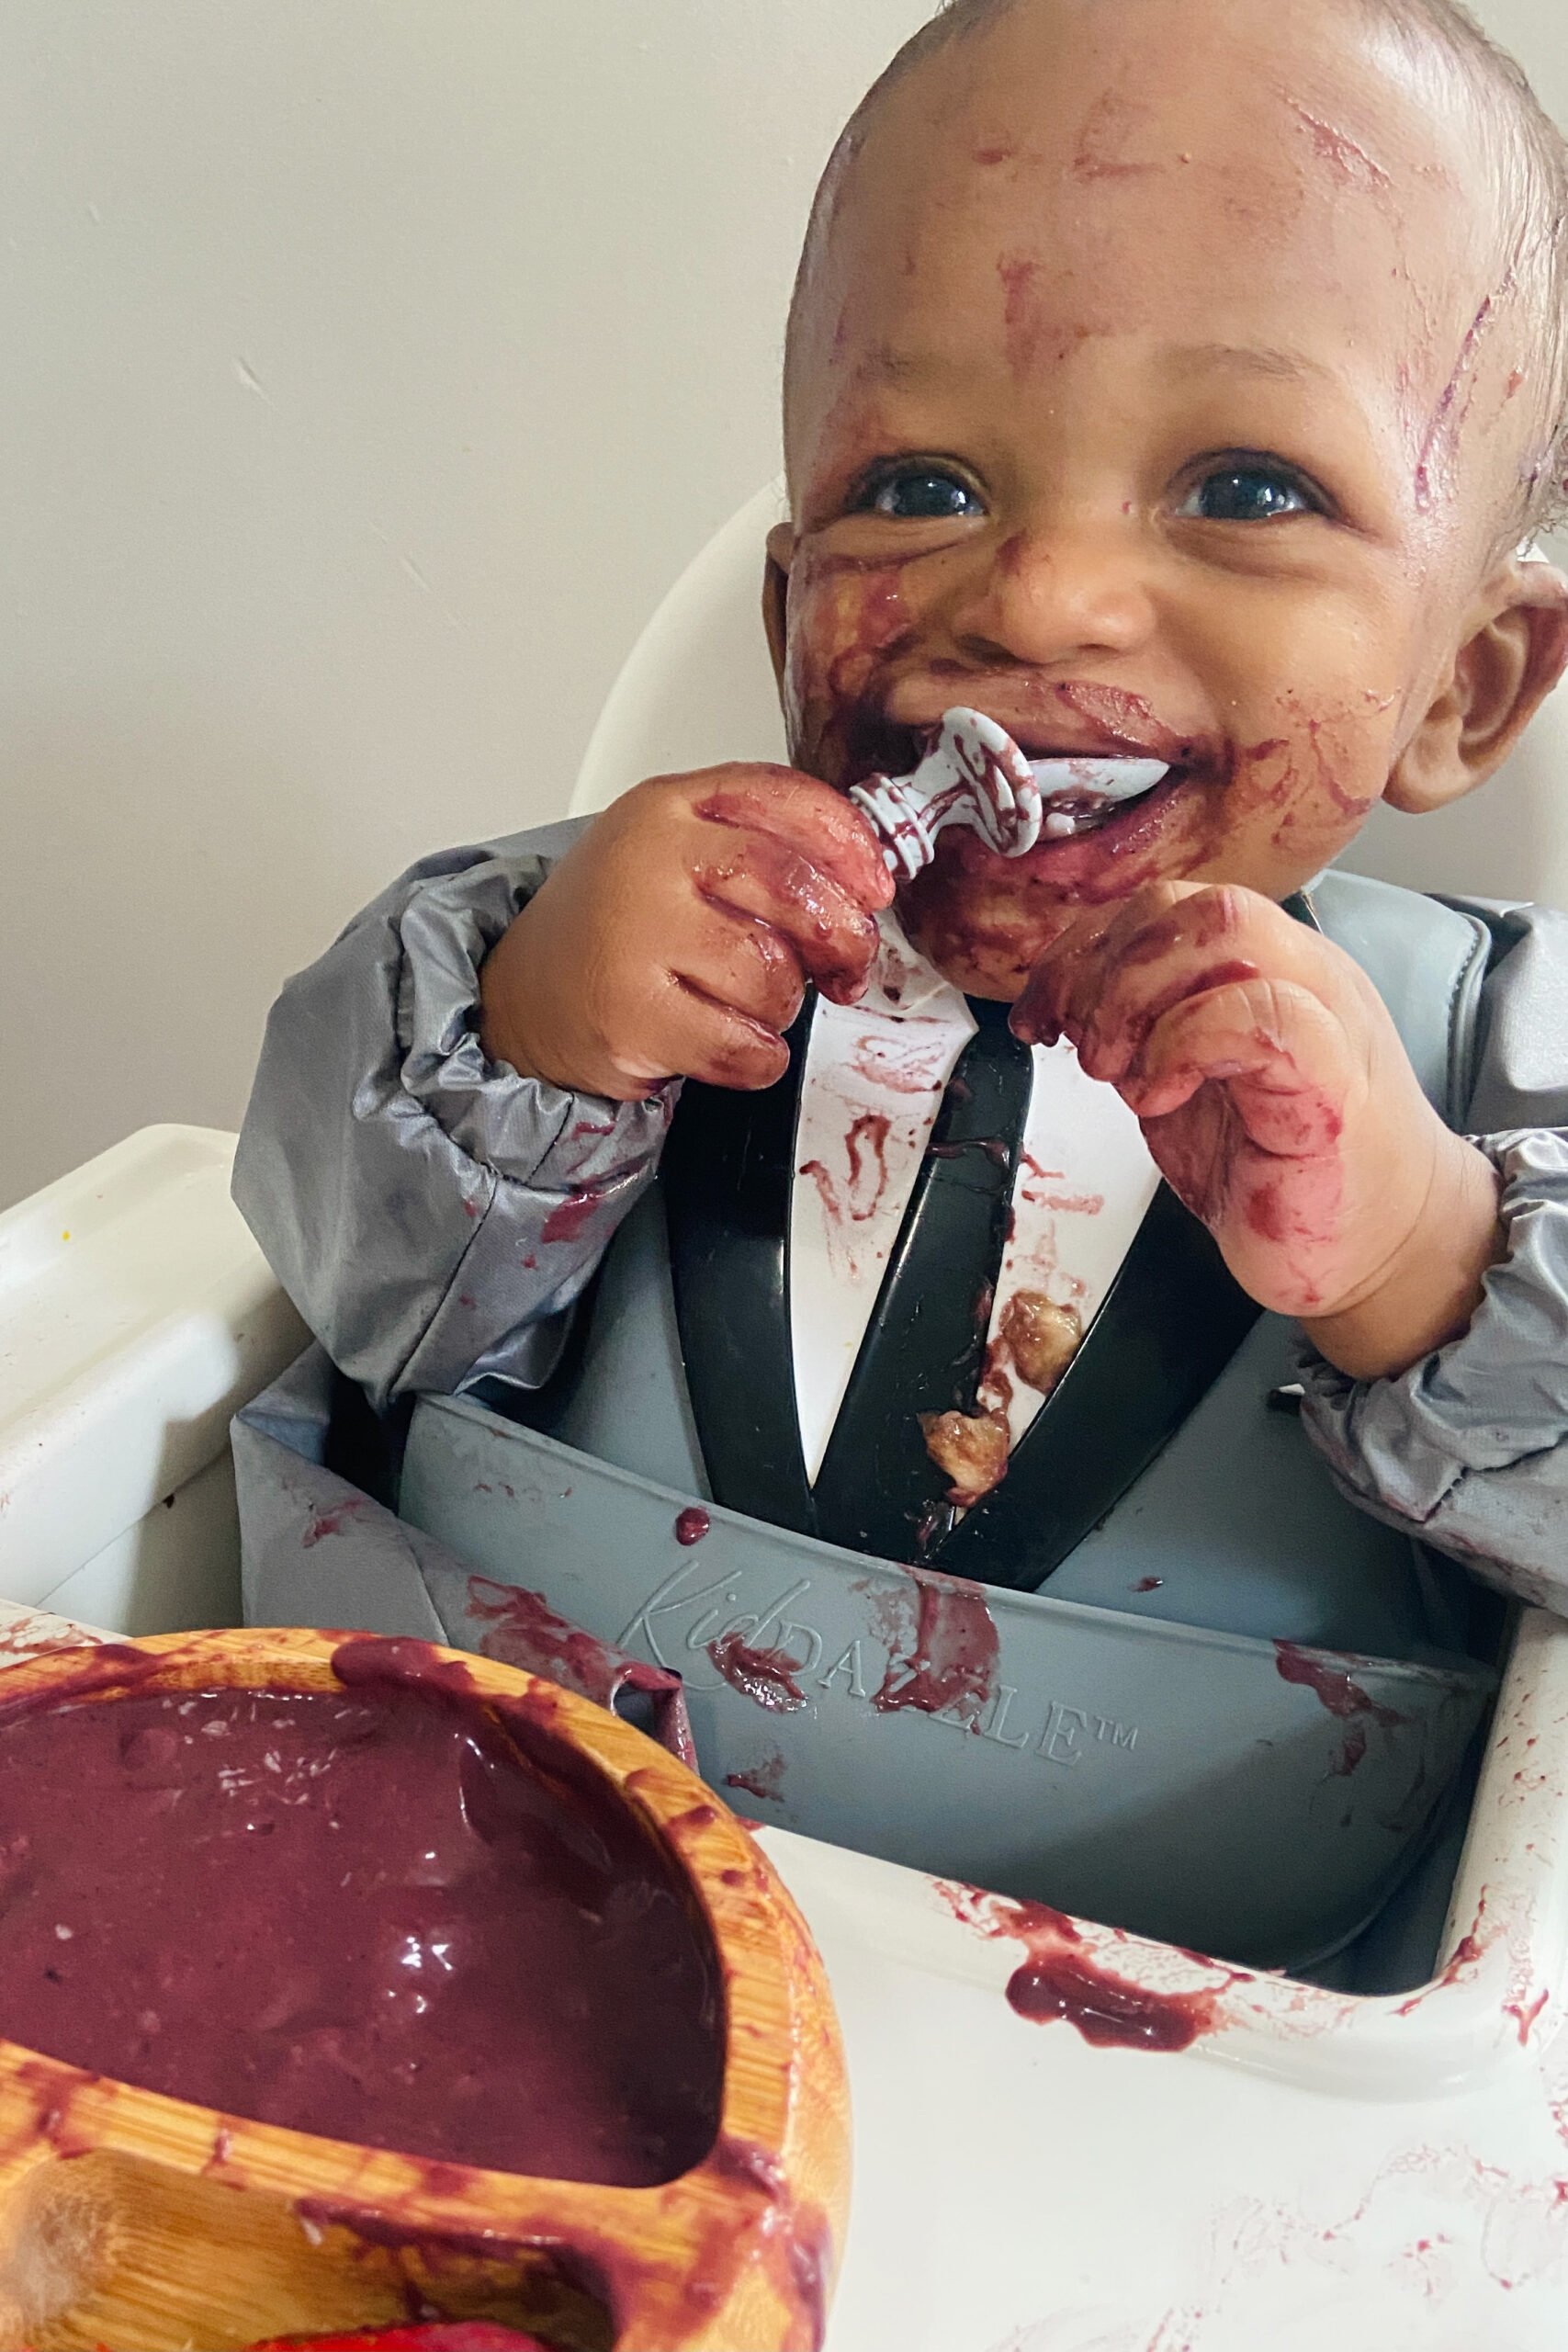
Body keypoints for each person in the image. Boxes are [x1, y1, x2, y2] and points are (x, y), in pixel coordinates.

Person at [233, 0, 1568, 1958]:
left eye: (1245, 487)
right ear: (787, 606)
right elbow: (322, 1261)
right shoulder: (578, 955)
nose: (1035, 595)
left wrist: (1422, 1259)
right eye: (919, 484)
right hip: (469, 1935)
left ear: (1467, 681)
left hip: (1166, 2097)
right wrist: (532, 1032)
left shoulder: (1487, 1068)